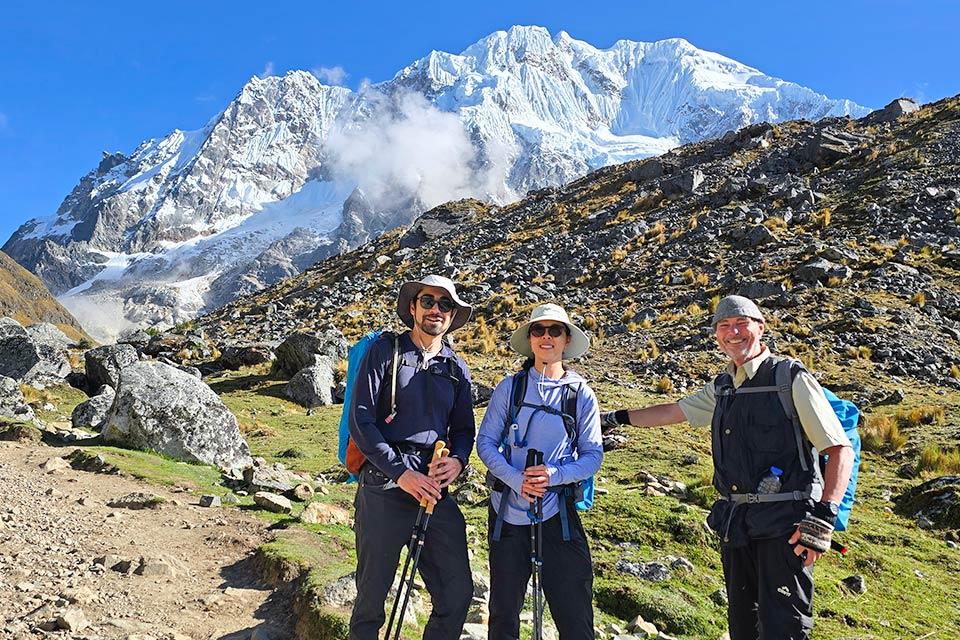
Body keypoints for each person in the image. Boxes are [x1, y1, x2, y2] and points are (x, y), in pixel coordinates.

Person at [601, 295, 853, 640]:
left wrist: (823, 517)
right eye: (724, 326)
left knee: (784, 628)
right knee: (743, 627)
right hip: (737, 527)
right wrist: (613, 418)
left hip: (786, 527)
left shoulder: (789, 378)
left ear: (760, 328)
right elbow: (673, 412)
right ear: (717, 335)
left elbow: (839, 448)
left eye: (741, 323)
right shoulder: (723, 387)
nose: (733, 332)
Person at [348, 274, 475, 640]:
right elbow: (362, 421)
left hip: (433, 489)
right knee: (372, 595)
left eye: (444, 304)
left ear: (452, 315)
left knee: (456, 591)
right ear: (413, 307)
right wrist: (402, 473)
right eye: (428, 301)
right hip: (385, 485)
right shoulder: (385, 352)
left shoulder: (455, 369)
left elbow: (464, 430)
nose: (436, 309)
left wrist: (458, 461)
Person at [478, 303, 603, 640]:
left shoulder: (580, 395)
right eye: (538, 330)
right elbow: (486, 443)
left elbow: (592, 456)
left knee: (574, 608)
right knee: (504, 610)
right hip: (507, 511)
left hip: (557, 512)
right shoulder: (511, 387)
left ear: (566, 339)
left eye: (554, 331)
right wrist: (517, 479)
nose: (546, 337)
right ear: (530, 339)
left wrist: (553, 475)